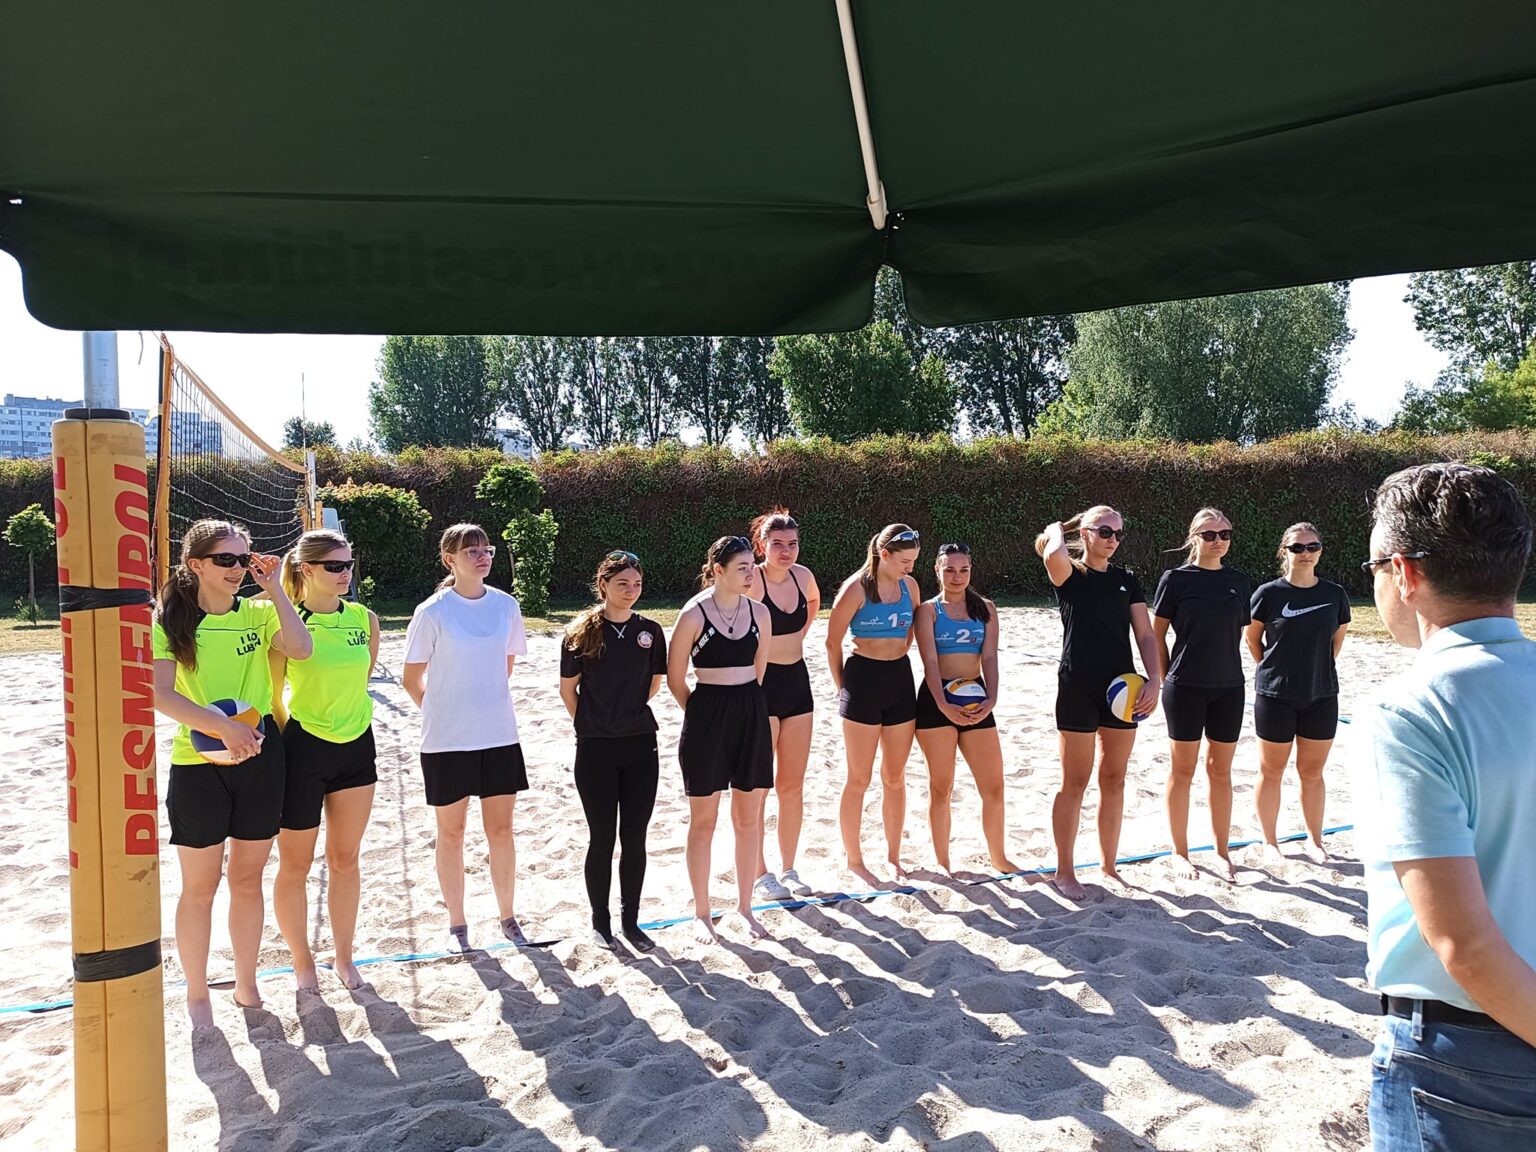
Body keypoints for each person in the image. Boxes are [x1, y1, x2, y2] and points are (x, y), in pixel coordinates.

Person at [1356, 462, 1536, 1148]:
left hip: (1467, 1061)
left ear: (1405, 573)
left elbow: (1465, 944)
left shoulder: (1412, 710)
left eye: (1374, 567)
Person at [150, 519, 313, 1026]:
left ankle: (246, 982)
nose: (238, 568)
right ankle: (197, 993)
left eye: (244, 559)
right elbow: (160, 694)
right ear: (195, 565)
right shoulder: (169, 621)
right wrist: (222, 728)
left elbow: (302, 648)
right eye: (226, 559)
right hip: (199, 762)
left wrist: (276, 589)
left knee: (247, 878)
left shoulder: (259, 614)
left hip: (260, 758)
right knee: (199, 887)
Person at [402, 523, 529, 953]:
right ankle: (457, 924)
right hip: (447, 741)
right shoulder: (433, 612)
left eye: (486, 549)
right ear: (449, 560)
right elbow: (411, 679)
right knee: (452, 832)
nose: (482, 557)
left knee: (502, 831)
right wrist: (442, 712)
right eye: (471, 551)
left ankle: (508, 917)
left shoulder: (506, 606)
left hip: (498, 734)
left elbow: (505, 667)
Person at [269, 529, 380, 992]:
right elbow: (274, 698)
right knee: (295, 865)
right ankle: (302, 960)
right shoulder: (286, 624)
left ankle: (345, 957)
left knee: (345, 858)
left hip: (357, 746)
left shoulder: (364, 619)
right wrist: (289, 747)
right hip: (304, 748)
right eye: (334, 566)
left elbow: (361, 681)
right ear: (307, 570)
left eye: (349, 564)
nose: (345, 573)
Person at [1036, 507, 1160, 899]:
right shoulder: (1070, 574)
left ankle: (1109, 865)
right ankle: (1064, 872)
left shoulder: (1127, 580)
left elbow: (1145, 634)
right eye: (1105, 531)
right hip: (1077, 686)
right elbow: (1052, 552)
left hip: (1122, 687)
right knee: (1074, 781)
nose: (1113, 539)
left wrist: (1154, 679)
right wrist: (1059, 527)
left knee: (1114, 779)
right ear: (1085, 533)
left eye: (1118, 533)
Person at [667, 536, 775, 943]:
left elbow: (758, 671)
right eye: (742, 567)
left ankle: (745, 907)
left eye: (752, 566)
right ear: (718, 571)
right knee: (704, 820)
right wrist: (701, 715)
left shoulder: (759, 613)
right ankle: (702, 913)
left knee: (748, 818)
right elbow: (675, 678)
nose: (750, 574)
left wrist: (741, 708)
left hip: (750, 710)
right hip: (707, 712)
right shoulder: (693, 615)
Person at [559, 550, 667, 952]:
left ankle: (631, 922)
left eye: (637, 584)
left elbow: (653, 685)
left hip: (640, 743)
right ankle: (600, 923)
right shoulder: (580, 632)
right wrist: (594, 722)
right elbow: (568, 690)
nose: (631, 590)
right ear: (603, 584)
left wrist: (623, 715)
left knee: (635, 837)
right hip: (596, 748)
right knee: (602, 837)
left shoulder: (650, 631)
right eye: (622, 583)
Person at [1153, 507, 1253, 881]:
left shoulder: (1239, 581)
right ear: (1194, 538)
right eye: (1209, 535)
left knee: (1221, 771)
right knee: (1183, 770)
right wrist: (1166, 677)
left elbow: (1238, 633)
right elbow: (1156, 634)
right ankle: (1180, 852)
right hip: (1185, 687)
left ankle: (1222, 851)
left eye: (1224, 534)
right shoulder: (1176, 579)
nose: (1218, 541)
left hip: (1229, 687)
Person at [912, 543, 1020, 877]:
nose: (957, 576)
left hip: (976, 699)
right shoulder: (928, 611)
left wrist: (992, 699)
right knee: (941, 787)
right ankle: (943, 862)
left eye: (963, 570)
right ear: (937, 570)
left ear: (971, 570)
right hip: (936, 702)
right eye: (949, 570)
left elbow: (989, 657)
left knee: (994, 787)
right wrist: (943, 704)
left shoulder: (985, 608)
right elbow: (930, 661)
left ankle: (999, 857)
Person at [825, 523, 923, 886]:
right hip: (862, 680)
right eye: (905, 561)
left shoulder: (910, 586)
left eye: (914, 561)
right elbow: (832, 642)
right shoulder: (856, 589)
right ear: (884, 555)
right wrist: (843, 687)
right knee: (859, 777)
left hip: (899, 679)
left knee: (895, 776)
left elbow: (913, 627)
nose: (910, 568)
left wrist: (898, 651)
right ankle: (855, 860)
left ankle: (893, 857)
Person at [1245, 522, 1349, 864]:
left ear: (1320, 551)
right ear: (1284, 551)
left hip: (1321, 694)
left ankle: (1314, 841)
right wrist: (1273, 670)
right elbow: (1252, 639)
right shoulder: (1268, 594)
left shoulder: (1335, 594)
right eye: (1297, 547)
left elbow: (1336, 641)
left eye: (1312, 546)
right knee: (1271, 771)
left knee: (1312, 772)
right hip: (1275, 695)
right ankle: (1269, 841)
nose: (1305, 553)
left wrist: (1315, 670)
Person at [744, 507, 821, 901]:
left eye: (792, 543)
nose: (786, 551)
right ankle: (760, 872)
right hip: (761, 686)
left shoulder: (803, 576)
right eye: (777, 544)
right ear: (762, 546)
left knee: (791, 785)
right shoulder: (751, 581)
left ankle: (789, 868)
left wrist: (797, 637)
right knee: (759, 786)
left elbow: (813, 602)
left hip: (797, 683)